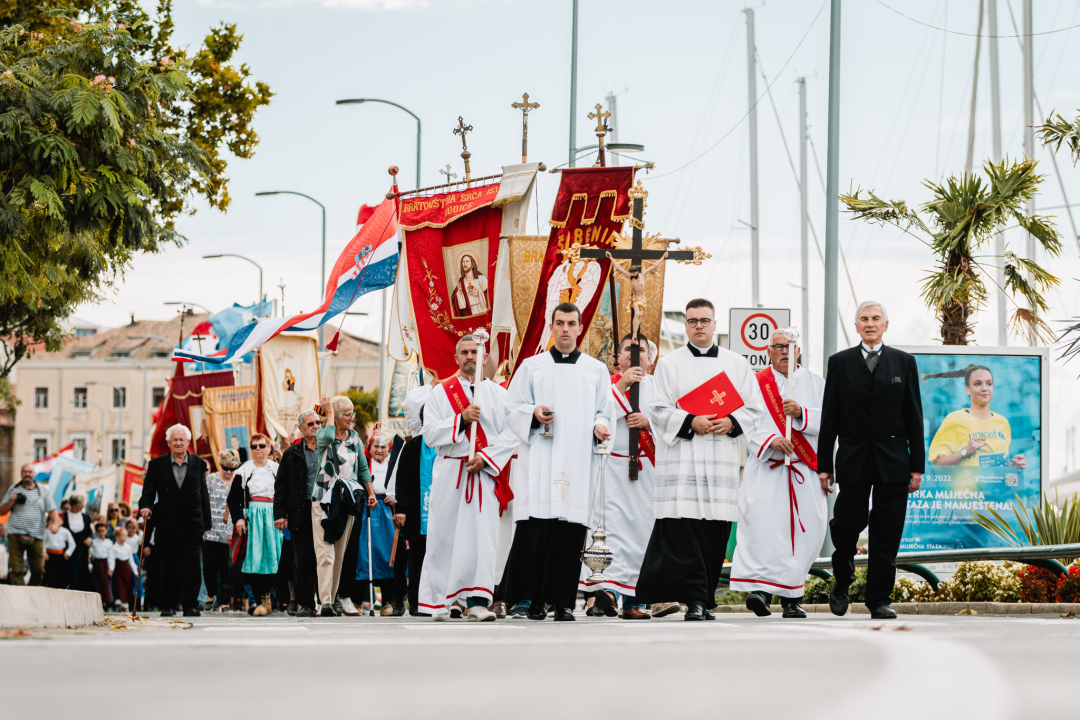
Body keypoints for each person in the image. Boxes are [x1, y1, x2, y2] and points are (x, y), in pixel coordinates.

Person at [637, 298, 764, 621]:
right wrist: (689, 420)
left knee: (715, 532)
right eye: (692, 321)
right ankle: (694, 599)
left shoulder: (736, 364)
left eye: (704, 320)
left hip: (721, 455)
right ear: (685, 326)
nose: (698, 326)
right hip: (685, 458)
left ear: (714, 324)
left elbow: (754, 407)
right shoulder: (670, 364)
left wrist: (732, 422)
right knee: (686, 532)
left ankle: (705, 599)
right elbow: (657, 409)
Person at [503, 303, 614, 621]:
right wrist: (533, 413)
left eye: (571, 323)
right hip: (541, 459)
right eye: (560, 323)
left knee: (570, 534)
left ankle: (563, 602)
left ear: (581, 328)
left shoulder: (595, 370)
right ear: (551, 327)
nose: (566, 328)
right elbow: (512, 407)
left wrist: (599, 426)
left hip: (577, 460)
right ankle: (535, 602)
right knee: (538, 531)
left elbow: (603, 410)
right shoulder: (532, 367)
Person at [818, 301, 925, 620]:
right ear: (856, 326)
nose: (870, 323)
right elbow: (830, 419)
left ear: (886, 325)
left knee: (887, 530)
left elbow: (914, 416)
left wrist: (917, 465)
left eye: (875, 318)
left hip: (894, 460)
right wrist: (825, 465)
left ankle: (879, 598)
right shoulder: (839, 363)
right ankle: (843, 578)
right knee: (847, 522)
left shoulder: (904, 362)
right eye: (863, 319)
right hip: (852, 459)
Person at [418, 335, 518, 622]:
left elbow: (511, 433)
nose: (470, 356)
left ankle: (476, 601)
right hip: (451, 471)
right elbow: (429, 434)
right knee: (445, 536)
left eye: (475, 352)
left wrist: (486, 458)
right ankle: (443, 600)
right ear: (456, 357)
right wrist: (461, 419)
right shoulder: (440, 393)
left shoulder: (499, 394)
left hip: (483, 472)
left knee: (480, 538)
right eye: (464, 352)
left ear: (484, 357)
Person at [730, 330, 827, 619]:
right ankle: (760, 591)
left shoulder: (817, 383)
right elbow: (744, 420)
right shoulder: (754, 384)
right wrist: (771, 440)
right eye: (778, 347)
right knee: (764, 528)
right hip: (767, 469)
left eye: (790, 346)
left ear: (799, 350)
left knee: (802, 531)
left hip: (804, 469)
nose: (784, 351)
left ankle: (792, 598)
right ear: (768, 351)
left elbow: (833, 420)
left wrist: (802, 413)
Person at [578, 334, 657, 620]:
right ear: (617, 357)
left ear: (651, 358)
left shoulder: (659, 388)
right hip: (609, 467)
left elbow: (671, 421)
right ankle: (604, 594)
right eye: (628, 350)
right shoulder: (606, 385)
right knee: (608, 533)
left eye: (641, 351)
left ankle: (634, 602)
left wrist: (649, 423)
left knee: (641, 535)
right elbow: (593, 416)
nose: (634, 356)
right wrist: (623, 386)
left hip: (646, 469)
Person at [138, 424, 212, 617]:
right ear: (168, 443)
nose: (178, 443)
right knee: (168, 566)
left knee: (192, 567)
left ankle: (190, 605)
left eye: (182, 440)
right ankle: (168, 605)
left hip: (192, 524)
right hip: (166, 524)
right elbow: (147, 492)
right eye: (175, 440)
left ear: (188, 442)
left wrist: (206, 526)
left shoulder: (198, 464)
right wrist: (145, 506)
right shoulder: (156, 464)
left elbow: (203, 495)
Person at [313, 395, 377, 617]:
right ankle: (324, 601)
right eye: (347, 415)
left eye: (352, 414)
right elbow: (329, 435)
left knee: (339, 556)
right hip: (323, 499)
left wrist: (370, 493)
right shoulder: (323, 435)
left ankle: (329, 601)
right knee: (326, 554)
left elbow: (363, 468)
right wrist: (329, 412)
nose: (352, 418)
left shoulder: (355, 439)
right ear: (337, 417)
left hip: (347, 501)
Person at [389, 384, 436, 616]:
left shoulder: (448, 445)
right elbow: (403, 482)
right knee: (417, 559)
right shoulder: (412, 447)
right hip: (419, 514)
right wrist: (402, 510)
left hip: (443, 512)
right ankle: (417, 604)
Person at [274, 410, 323, 618]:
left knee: (325, 557)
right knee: (302, 559)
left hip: (325, 510)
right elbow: (281, 486)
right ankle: (306, 604)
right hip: (300, 511)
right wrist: (280, 514)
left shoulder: (329, 449)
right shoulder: (291, 453)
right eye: (310, 423)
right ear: (301, 429)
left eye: (319, 422)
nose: (316, 426)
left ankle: (327, 601)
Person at [929, 365, 1026, 469]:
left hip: (997, 485)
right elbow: (938, 463)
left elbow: (998, 467)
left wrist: (1013, 466)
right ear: (967, 389)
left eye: (989, 384)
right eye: (978, 384)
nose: (985, 388)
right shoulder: (954, 419)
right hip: (965, 485)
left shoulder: (1002, 422)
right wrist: (965, 451)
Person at [228, 434, 283, 617]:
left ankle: (269, 598)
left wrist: (283, 515)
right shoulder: (244, 470)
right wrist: (239, 519)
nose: (258, 449)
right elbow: (233, 499)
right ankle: (254, 600)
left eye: (262, 445)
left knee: (272, 558)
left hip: (273, 517)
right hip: (252, 516)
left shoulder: (276, 469)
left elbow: (284, 494)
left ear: (269, 448)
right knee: (252, 559)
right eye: (254, 446)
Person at [351, 434, 398, 616]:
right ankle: (357, 601)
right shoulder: (362, 466)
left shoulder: (393, 467)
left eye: (383, 446)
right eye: (375, 446)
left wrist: (395, 498)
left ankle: (387, 601)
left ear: (389, 449)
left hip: (387, 512)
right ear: (369, 449)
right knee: (363, 556)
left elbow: (400, 487)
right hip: (366, 511)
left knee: (386, 555)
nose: (379, 450)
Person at [0, 463, 60, 586]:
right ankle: (21, 596)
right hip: (15, 533)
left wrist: (55, 523)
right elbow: (2, 511)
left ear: (34, 474)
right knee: (17, 570)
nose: (27, 474)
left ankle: (31, 592)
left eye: (30, 471)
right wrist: (12, 501)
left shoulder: (43, 491)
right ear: (21, 474)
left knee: (39, 570)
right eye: (24, 471)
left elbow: (53, 510)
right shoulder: (13, 489)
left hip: (36, 534)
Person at [203, 450, 238, 611]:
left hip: (229, 533)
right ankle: (211, 595)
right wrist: (202, 529)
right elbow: (203, 505)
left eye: (233, 468)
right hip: (210, 531)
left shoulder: (238, 480)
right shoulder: (211, 480)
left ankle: (224, 601)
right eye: (226, 468)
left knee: (226, 568)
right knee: (209, 566)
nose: (230, 472)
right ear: (220, 465)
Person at [63, 494, 93, 591]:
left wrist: (89, 539)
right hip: (68, 549)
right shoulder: (64, 516)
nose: (82, 506)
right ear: (74, 504)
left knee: (81, 572)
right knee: (69, 571)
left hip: (82, 549)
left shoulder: (85, 517)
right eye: (80, 504)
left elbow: (89, 532)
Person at [108, 525, 138, 611]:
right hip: (118, 569)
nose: (125, 538)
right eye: (123, 536)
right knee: (119, 586)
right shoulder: (113, 548)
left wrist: (135, 571)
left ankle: (126, 604)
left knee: (127, 586)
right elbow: (111, 559)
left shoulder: (128, 547)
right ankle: (120, 603)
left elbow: (131, 561)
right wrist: (111, 569)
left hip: (127, 570)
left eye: (125, 536)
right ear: (117, 537)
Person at [451, 252, 489, 317]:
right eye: (463, 262)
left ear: (472, 264)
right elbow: (458, 305)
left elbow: (491, 294)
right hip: (469, 312)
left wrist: (479, 293)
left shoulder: (481, 279)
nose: (464, 264)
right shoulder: (461, 282)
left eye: (467, 261)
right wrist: (460, 292)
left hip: (482, 310)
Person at [43, 521, 76, 588]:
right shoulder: (47, 530)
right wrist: (44, 552)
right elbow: (43, 542)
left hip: (60, 555)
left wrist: (67, 553)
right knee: (49, 575)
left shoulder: (65, 531)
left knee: (60, 575)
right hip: (49, 555)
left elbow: (72, 544)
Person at [90, 522, 113, 608]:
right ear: (96, 532)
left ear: (106, 531)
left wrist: (111, 568)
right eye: (99, 531)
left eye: (103, 531)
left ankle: (107, 602)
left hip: (105, 563)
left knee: (105, 583)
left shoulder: (109, 542)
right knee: (96, 582)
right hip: (96, 563)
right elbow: (92, 552)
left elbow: (111, 556)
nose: (101, 533)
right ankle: (98, 602)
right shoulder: (94, 542)